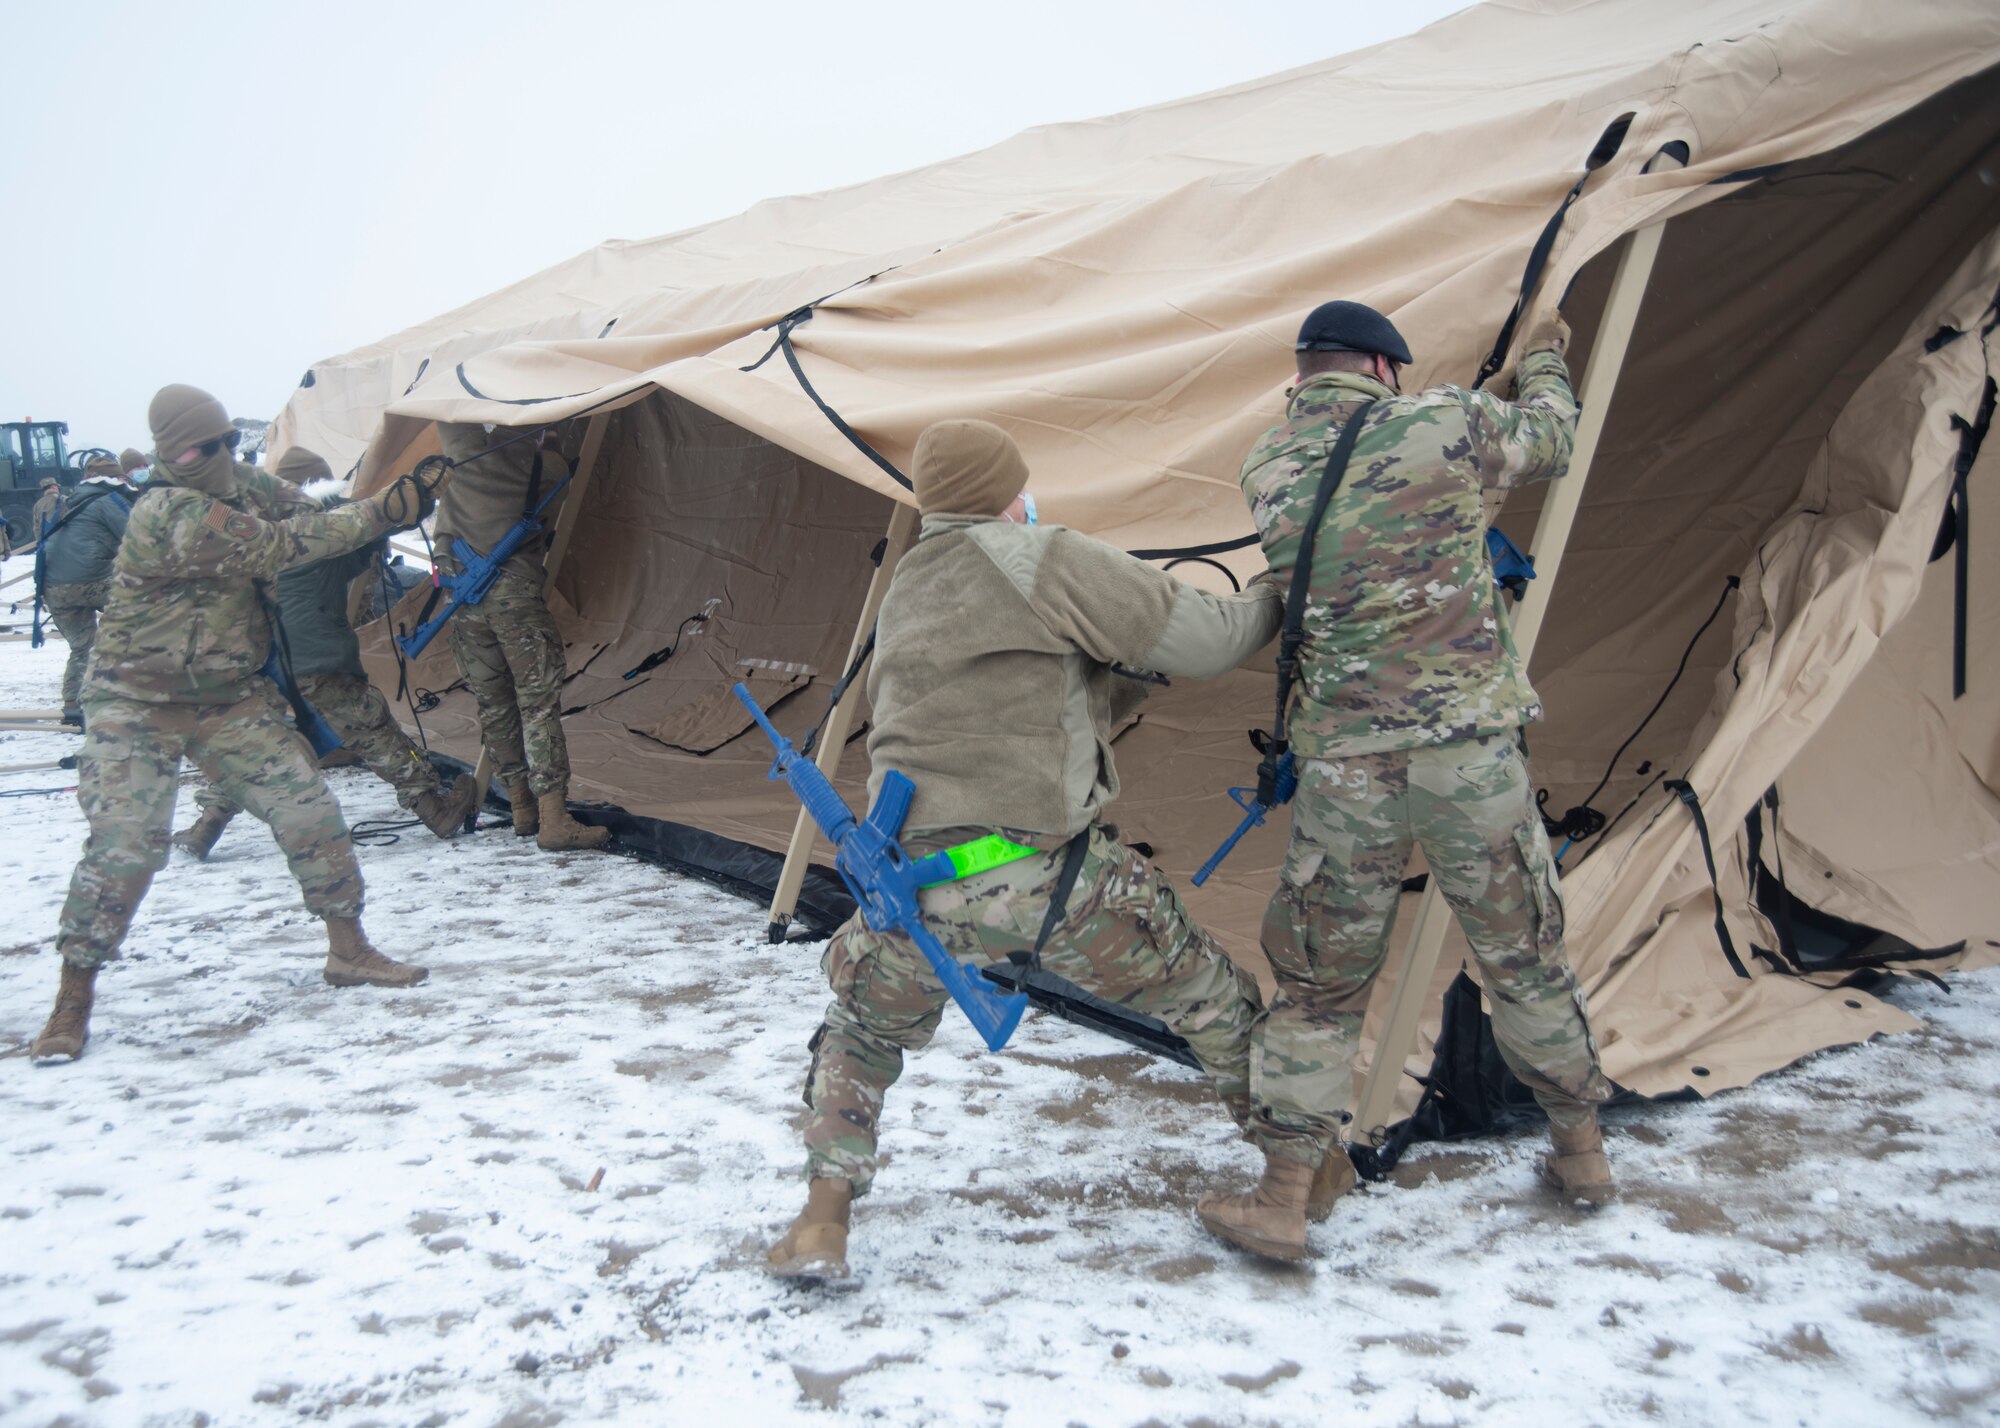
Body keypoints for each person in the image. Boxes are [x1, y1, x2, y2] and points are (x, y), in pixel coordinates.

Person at [766, 418, 1356, 1282]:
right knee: (1210, 1000)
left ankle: (822, 1221)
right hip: (1053, 880)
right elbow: (1209, 639)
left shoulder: (908, 584)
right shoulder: (1036, 555)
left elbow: (1007, 707)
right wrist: (1277, 590)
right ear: (1006, 494)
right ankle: (1301, 1173)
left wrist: (1104, 684)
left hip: (911, 887)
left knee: (857, 1029)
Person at [1238, 299, 1616, 1209]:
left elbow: (1363, 502)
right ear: (1382, 367)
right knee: (1523, 954)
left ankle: (1287, 1194)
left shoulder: (1265, 461)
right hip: (1467, 761)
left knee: (1321, 982)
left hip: (1345, 767)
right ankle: (1581, 1152)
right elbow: (1554, 439)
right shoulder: (1445, 418)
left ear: (1304, 371)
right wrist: (1544, 360)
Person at [28, 385, 449, 1064]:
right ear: (170, 455)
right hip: (137, 702)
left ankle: (349, 951)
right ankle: (72, 997)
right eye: (196, 450)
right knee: (128, 846)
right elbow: (287, 543)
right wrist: (379, 513)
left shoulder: (236, 477)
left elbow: (304, 509)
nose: (214, 458)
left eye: (222, 443)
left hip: (227, 697)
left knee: (308, 810)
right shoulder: (169, 511)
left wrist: (387, 501)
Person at [172, 445, 479, 859]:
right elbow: (381, 515)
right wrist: (422, 492)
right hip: (317, 655)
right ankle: (436, 809)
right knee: (374, 731)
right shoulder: (321, 525)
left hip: (263, 660)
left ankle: (206, 826)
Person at [434, 421, 607, 851]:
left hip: (463, 600)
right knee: (538, 705)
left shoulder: (452, 465)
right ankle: (553, 818)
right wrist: (547, 439)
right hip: (514, 598)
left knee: (494, 705)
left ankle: (521, 808)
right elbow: (562, 468)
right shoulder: (538, 466)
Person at [38, 456, 133, 723]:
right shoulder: (109, 501)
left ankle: (73, 705)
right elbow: (140, 535)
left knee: (83, 647)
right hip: (93, 582)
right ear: (114, 479)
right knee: (147, 616)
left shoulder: (69, 501)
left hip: (55, 588)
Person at [31, 476, 64, 541]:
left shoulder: (37, 505)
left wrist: (40, 542)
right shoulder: (65, 499)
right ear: (53, 487)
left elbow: (36, 528)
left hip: (47, 543)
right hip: (64, 541)